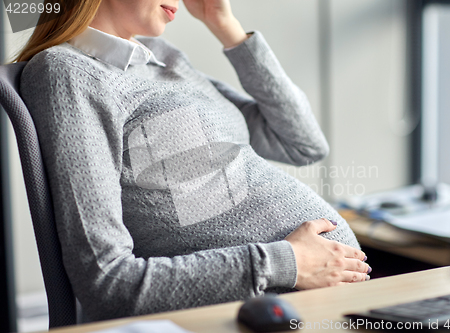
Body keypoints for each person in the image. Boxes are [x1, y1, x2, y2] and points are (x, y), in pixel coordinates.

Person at [17, 0, 370, 322]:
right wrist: (285, 262)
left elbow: (303, 143)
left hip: (323, 302)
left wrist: (224, 24)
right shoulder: (68, 73)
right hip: (258, 313)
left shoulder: (160, 57)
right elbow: (108, 283)